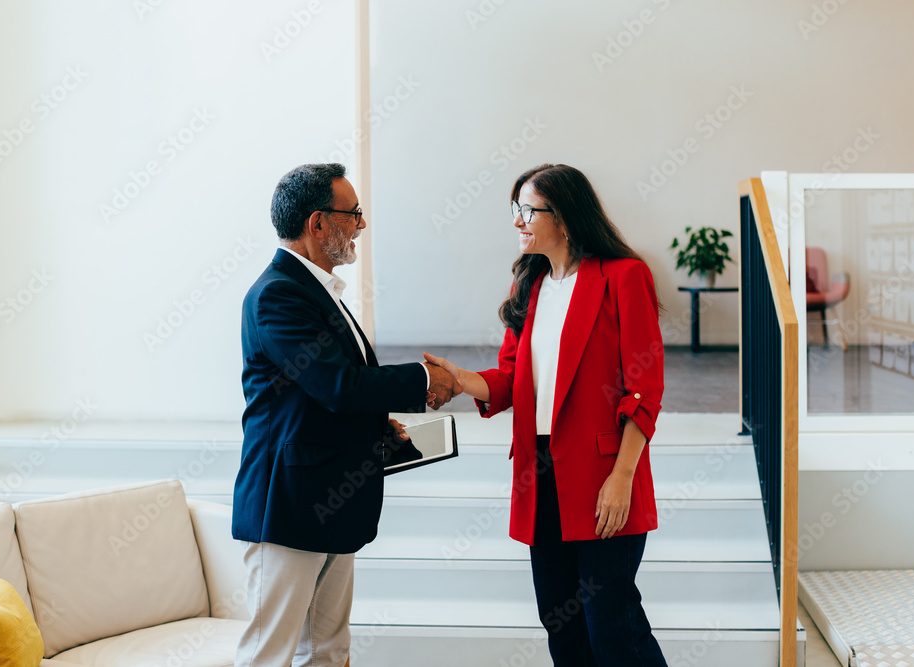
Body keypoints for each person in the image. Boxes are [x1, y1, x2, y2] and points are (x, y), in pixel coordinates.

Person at [424, 163, 669, 666]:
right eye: (516, 210)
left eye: (527, 210)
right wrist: (457, 379)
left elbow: (644, 389)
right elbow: (512, 379)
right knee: (562, 624)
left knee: (613, 627)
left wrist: (622, 477)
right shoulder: (530, 286)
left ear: (564, 217)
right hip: (541, 475)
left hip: (605, 473)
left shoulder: (624, 276)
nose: (518, 221)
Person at [233, 163, 458, 667]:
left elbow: (323, 393)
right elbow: (339, 385)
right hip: (288, 506)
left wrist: (379, 425)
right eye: (352, 213)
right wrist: (427, 379)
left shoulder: (317, 291)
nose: (361, 224)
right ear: (317, 223)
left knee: (329, 651)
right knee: (269, 656)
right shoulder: (277, 294)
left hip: (329, 499)